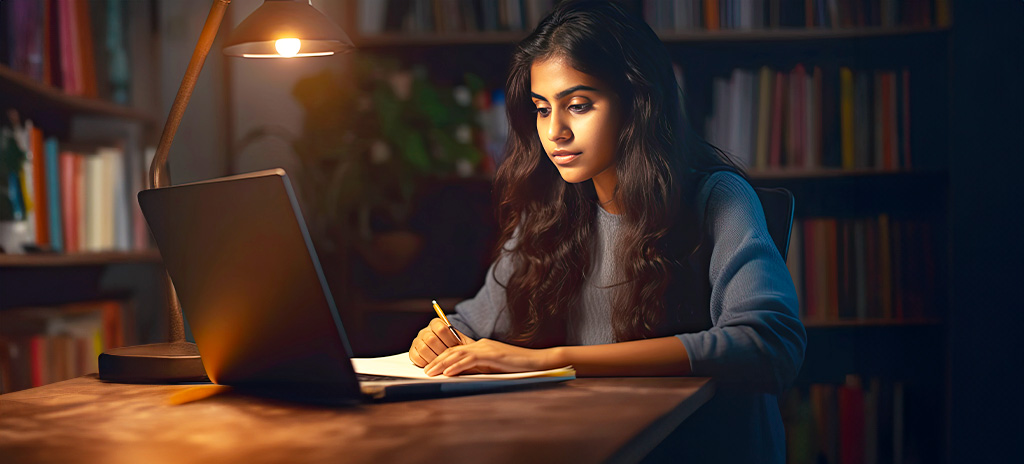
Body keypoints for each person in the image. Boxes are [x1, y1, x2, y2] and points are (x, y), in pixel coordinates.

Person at [408, 1, 806, 461]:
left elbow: (769, 343)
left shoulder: (716, 198)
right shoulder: (549, 212)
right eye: (541, 109)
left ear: (637, 103)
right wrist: (440, 336)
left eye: (578, 105)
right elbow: (471, 326)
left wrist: (550, 361)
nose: (554, 131)